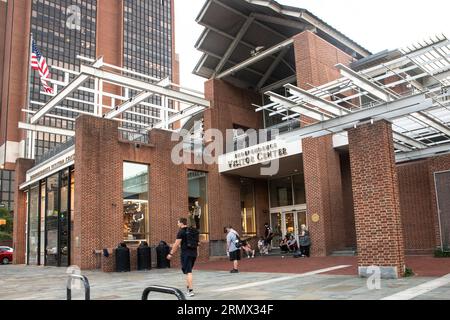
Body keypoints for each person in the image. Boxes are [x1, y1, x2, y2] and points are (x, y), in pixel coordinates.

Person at [167, 217, 198, 297]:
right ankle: (188, 288)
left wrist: (171, 254)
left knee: (189, 272)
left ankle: (190, 291)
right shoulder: (192, 230)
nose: (177, 224)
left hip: (186, 254)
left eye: (178, 222)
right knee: (188, 271)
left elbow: (176, 244)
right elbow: (198, 243)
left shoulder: (181, 232)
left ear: (181, 223)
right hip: (193, 253)